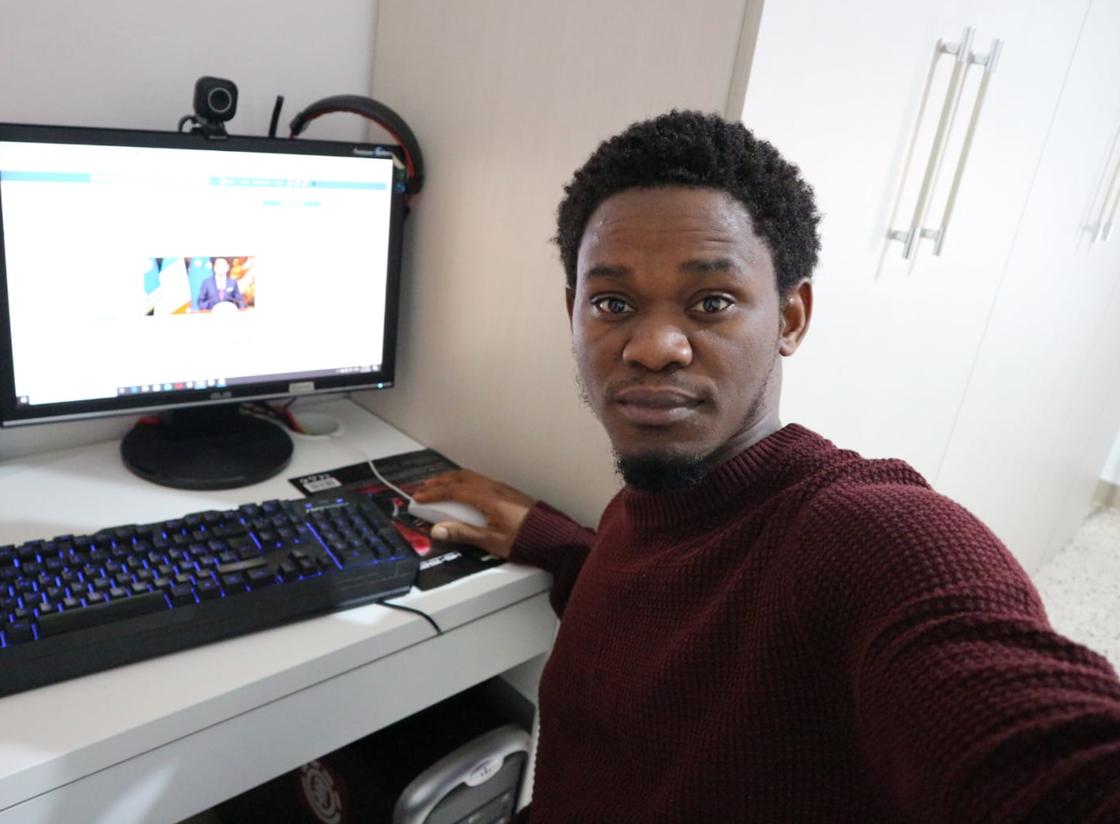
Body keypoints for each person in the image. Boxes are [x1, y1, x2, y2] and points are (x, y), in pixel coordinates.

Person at [411, 111, 1120, 822]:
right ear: (572, 314)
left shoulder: (877, 540)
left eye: (712, 302)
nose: (653, 347)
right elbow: (679, 622)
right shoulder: (645, 507)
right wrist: (560, 546)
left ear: (790, 317)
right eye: (612, 303)